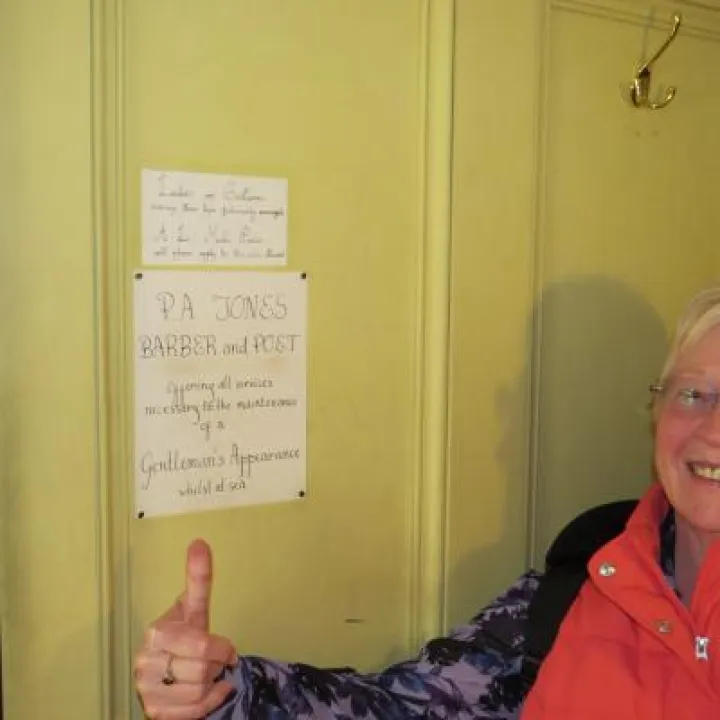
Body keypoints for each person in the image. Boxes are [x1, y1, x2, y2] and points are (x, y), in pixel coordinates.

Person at [134, 285, 720, 719]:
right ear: (657, 408)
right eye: (694, 394)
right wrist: (225, 691)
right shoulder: (585, 576)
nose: (713, 430)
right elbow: (408, 706)